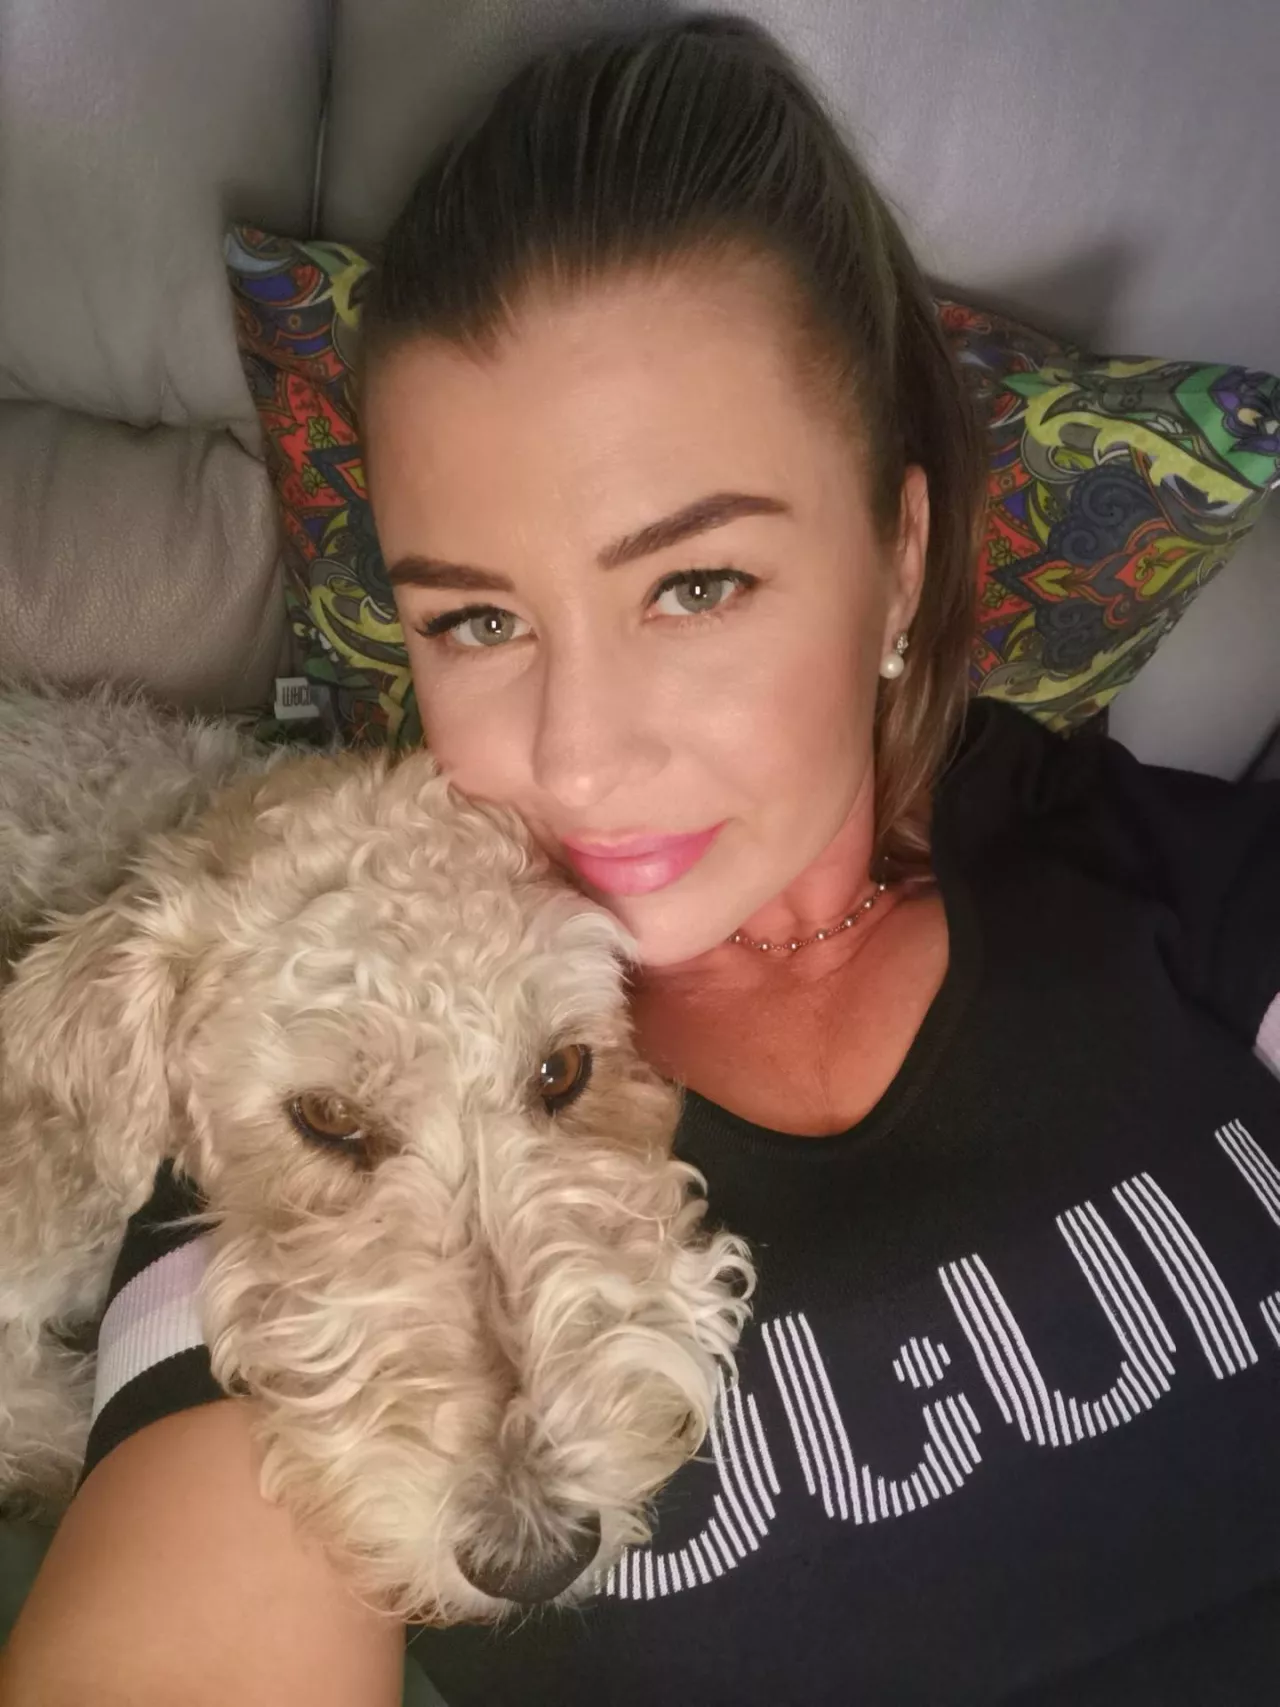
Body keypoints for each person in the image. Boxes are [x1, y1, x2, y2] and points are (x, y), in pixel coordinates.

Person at [4, 15, 1279, 1706]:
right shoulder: (283, 1029)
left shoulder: (1161, 868)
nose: (582, 756)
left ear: (899, 561)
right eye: (476, 618)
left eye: (695, 584)